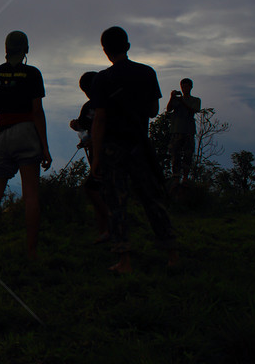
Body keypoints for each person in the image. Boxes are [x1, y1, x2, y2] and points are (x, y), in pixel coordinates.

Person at [90, 26, 179, 273]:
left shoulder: (102, 79)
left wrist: (96, 156)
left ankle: (124, 260)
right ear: (127, 47)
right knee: (152, 199)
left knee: (117, 204)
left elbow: (99, 120)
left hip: (112, 148)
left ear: (106, 51)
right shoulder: (147, 73)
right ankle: (172, 254)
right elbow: (153, 111)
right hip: (140, 145)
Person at [0, 31, 52, 259]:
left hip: (1, 134)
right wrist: (45, 146)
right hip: (27, 132)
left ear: (6, 48)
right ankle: (31, 250)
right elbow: (37, 112)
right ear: (26, 49)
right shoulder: (32, 74)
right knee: (30, 194)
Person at [69, 71, 109, 243]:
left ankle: (111, 225)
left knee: (94, 189)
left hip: (106, 154)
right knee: (98, 190)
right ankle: (103, 232)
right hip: (95, 155)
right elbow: (84, 127)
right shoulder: (88, 107)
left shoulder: (106, 103)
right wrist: (76, 126)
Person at [166, 78, 201, 184]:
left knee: (188, 155)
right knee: (175, 155)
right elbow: (169, 109)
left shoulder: (195, 100)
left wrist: (183, 102)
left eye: (186, 86)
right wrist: (172, 98)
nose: (184, 89)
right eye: (183, 86)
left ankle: (185, 177)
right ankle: (176, 177)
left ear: (191, 87)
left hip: (188, 131)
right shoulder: (177, 100)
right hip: (176, 130)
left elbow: (194, 110)